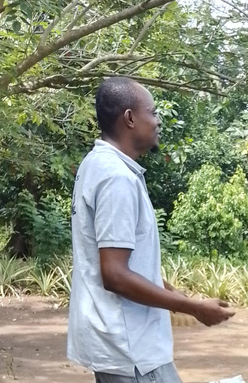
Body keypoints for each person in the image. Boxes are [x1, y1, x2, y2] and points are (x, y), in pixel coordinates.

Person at [67, 77, 235, 383]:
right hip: (131, 350)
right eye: (153, 112)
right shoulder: (117, 178)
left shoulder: (95, 165)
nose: (158, 121)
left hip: (117, 345)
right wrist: (192, 307)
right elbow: (114, 274)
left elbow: (123, 262)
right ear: (130, 118)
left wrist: (172, 292)